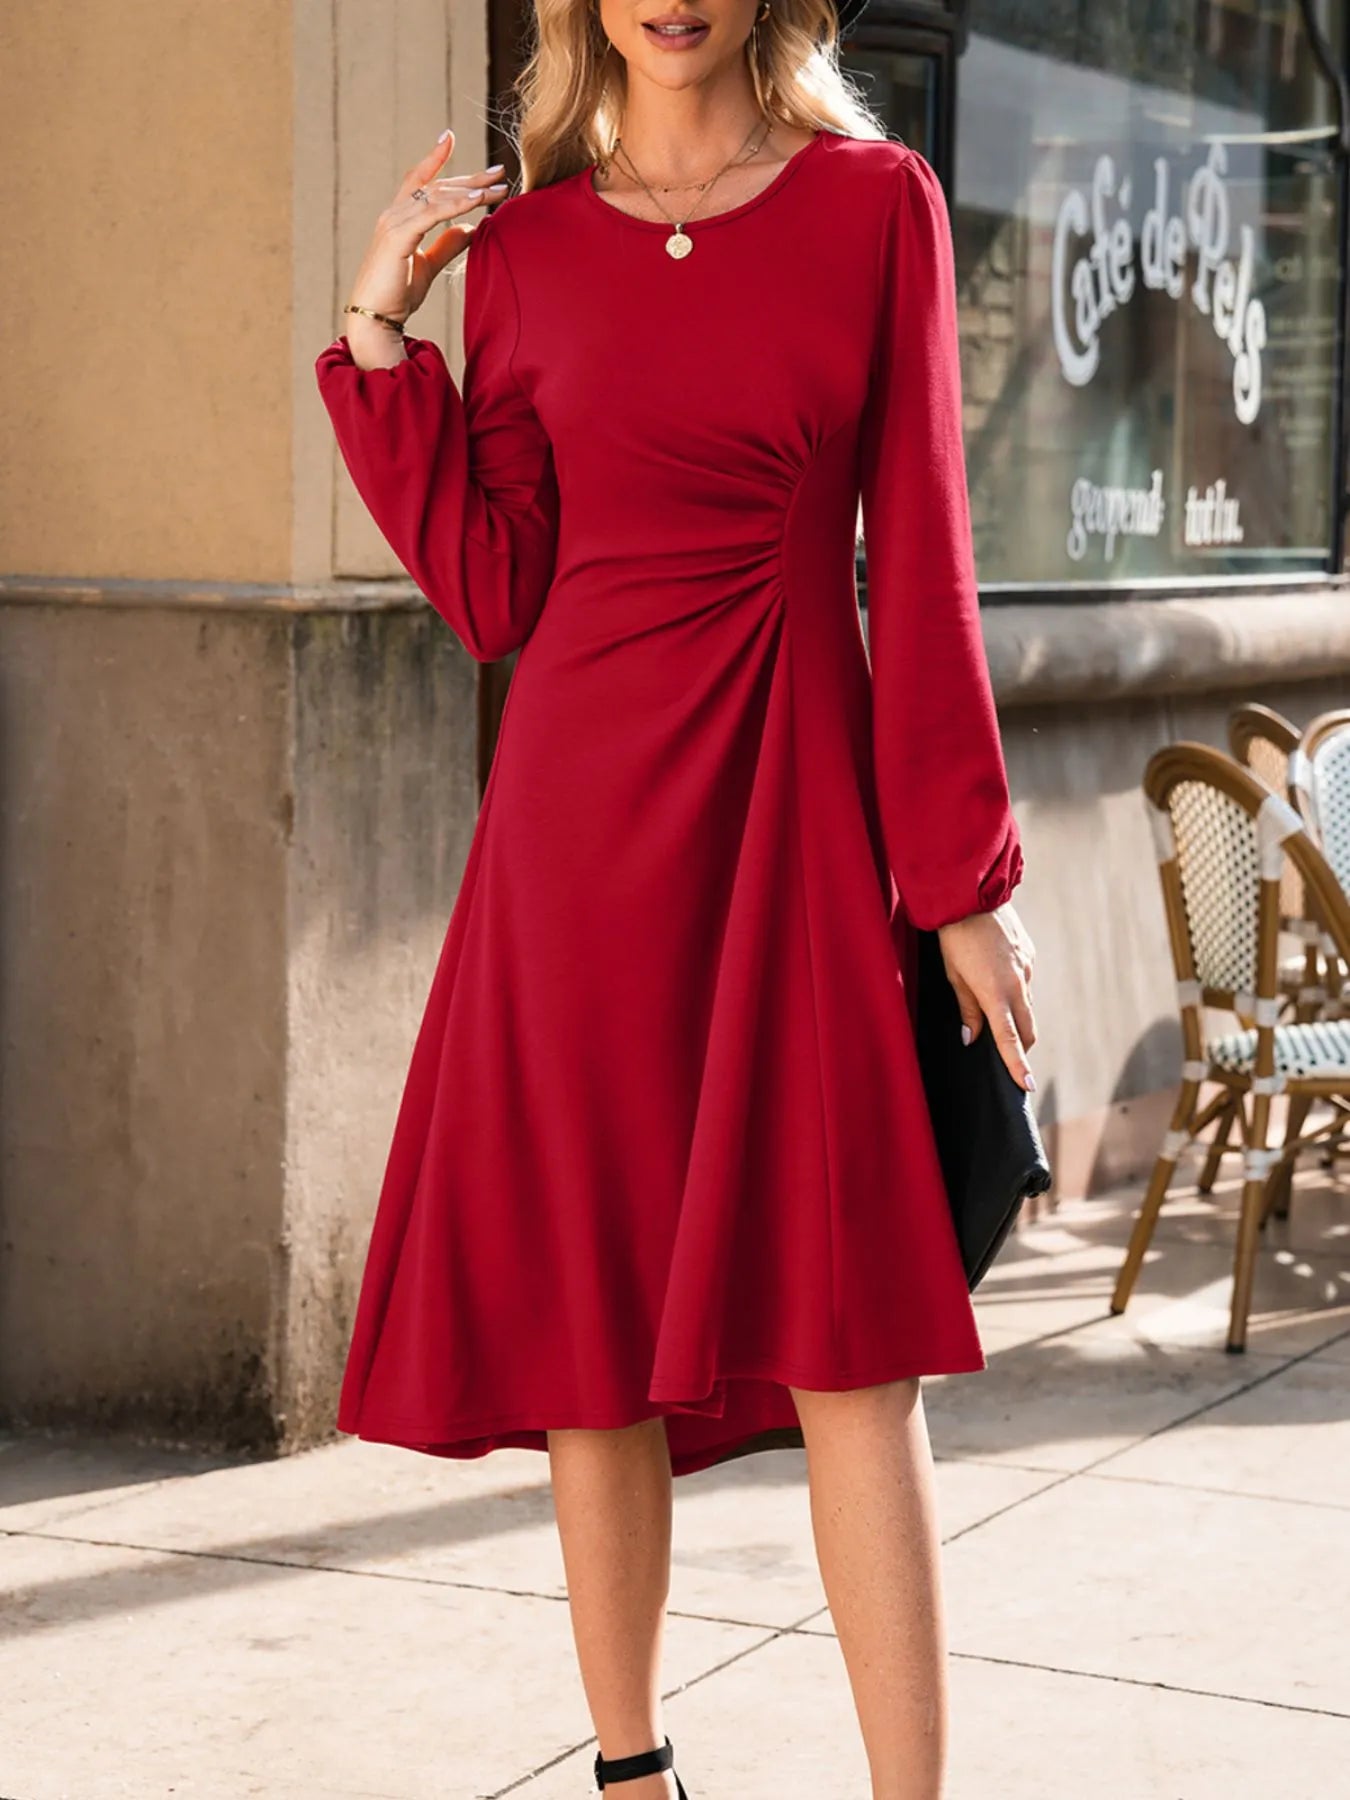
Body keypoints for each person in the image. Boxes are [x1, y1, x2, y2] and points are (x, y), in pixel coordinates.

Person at [314, 0, 1037, 1794]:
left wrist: (956, 877)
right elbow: (492, 589)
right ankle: (631, 1773)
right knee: (591, 1334)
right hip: (573, 840)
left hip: (792, 815)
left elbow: (923, 553)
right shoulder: (532, 243)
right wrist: (380, 329)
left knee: (856, 1346)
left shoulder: (877, 205)